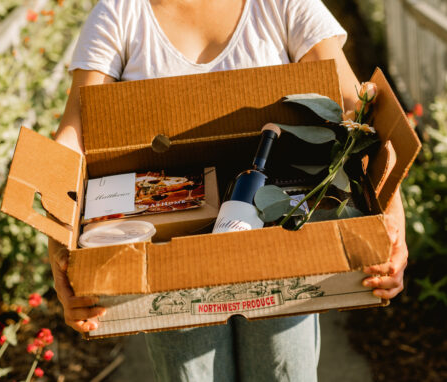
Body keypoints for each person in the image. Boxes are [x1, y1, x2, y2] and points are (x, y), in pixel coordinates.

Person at [49, 0, 408, 380]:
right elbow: (76, 136)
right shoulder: (121, 13)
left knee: (283, 370)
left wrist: (391, 222)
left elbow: (359, 116)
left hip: (282, 252)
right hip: (172, 267)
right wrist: (61, 248)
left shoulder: (283, 5)